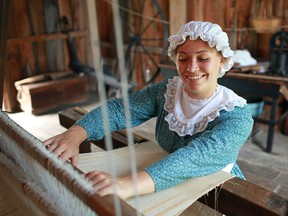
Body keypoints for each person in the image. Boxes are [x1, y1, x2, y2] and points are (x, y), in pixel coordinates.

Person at [43, 21, 254, 200]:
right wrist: (75, 134)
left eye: (203, 58)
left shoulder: (237, 116)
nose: (191, 67)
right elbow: (120, 109)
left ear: (222, 61)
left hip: (216, 192)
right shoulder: (168, 91)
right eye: (183, 58)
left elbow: (195, 157)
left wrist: (127, 184)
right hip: (163, 180)